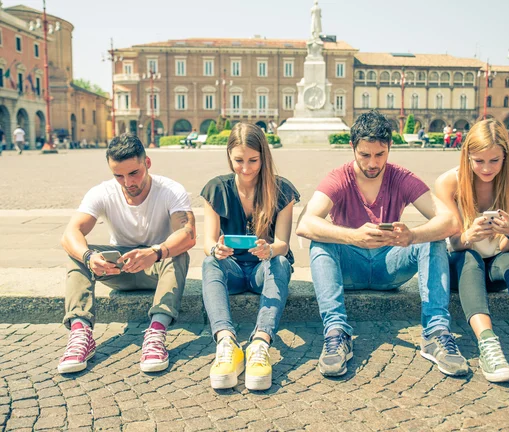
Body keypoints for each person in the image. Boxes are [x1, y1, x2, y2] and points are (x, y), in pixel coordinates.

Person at [296, 110, 468, 378]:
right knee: (320, 242)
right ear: (353, 148)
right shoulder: (339, 177)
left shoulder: (400, 177)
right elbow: (305, 224)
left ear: (389, 148)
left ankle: (436, 333)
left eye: (380, 154)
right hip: (349, 269)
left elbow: (450, 222)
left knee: (432, 238)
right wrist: (352, 236)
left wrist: (412, 236)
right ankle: (336, 333)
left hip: (390, 267)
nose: (373, 163)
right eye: (365, 155)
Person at [58, 133, 196, 374]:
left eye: (134, 173)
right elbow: (71, 233)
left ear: (147, 163)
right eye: (118, 175)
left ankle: (156, 332)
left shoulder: (170, 190)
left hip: (157, 266)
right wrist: (90, 257)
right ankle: (81, 333)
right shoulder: (103, 192)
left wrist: (155, 252)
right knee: (76, 253)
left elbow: (188, 234)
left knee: (179, 253)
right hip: (117, 267)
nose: (127, 182)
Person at [434, 118, 509, 388]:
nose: (486, 168)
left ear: (506, 157)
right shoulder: (448, 183)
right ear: (467, 156)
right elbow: (453, 242)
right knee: (469, 257)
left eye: (494, 161)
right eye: (478, 161)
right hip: (460, 266)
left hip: (497, 264)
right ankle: (488, 344)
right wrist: (468, 236)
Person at [201, 123, 300, 391]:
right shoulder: (216, 189)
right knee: (210, 262)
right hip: (231, 268)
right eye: (239, 160)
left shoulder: (282, 191)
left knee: (279, 261)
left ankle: (260, 342)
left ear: (264, 157)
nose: (246, 168)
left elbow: (282, 244)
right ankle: (226, 342)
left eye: (253, 160)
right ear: (229, 157)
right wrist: (215, 249)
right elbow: (207, 242)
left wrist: (269, 249)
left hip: (263, 270)